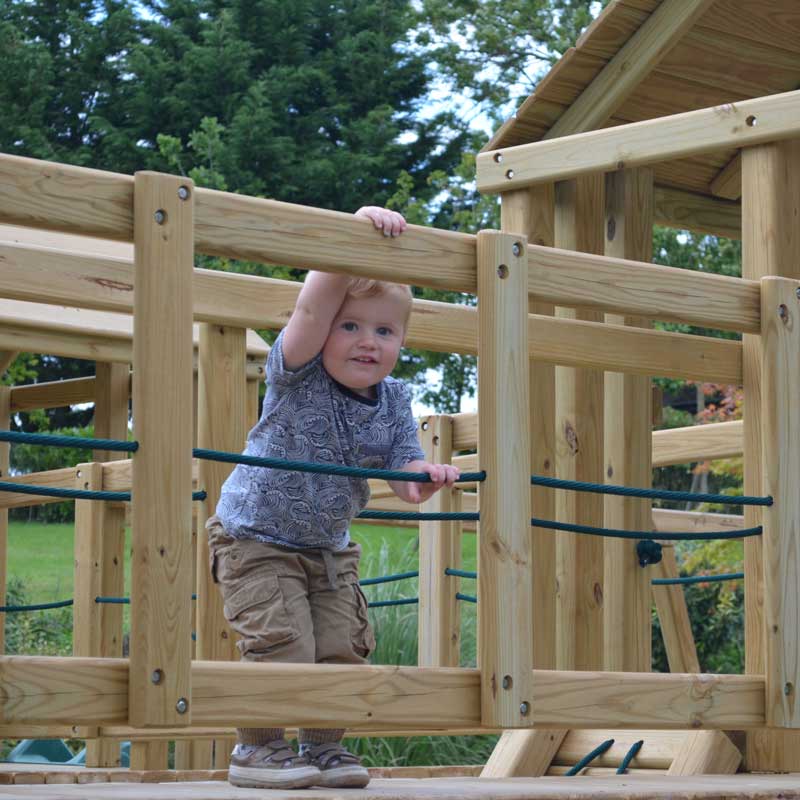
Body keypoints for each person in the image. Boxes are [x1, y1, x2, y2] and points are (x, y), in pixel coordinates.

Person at [206, 206, 460, 790]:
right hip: (255, 538)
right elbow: (312, 305)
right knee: (282, 644)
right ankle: (257, 748)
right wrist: (354, 238)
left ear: (401, 341)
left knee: (344, 646)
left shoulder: (395, 399)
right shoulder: (297, 373)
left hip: (328, 546)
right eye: (350, 327)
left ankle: (322, 750)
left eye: (384, 330)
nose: (367, 342)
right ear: (324, 333)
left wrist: (426, 475)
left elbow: (403, 472)